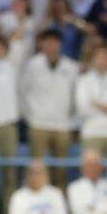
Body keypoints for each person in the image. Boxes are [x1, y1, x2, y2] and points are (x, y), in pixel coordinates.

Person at [20, 28, 78, 188]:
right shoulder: (32, 65)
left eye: (55, 41)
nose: (51, 45)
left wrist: (71, 120)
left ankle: (58, 206)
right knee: (37, 169)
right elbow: (22, 93)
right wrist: (30, 117)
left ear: (60, 44)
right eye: (47, 41)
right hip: (38, 124)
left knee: (61, 171)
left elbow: (75, 96)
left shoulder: (71, 67)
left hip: (62, 125)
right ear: (41, 44)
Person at [0, 27, 31, 214]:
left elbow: (19, 40)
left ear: (5, 48)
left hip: (8, 126)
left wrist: (20, 18)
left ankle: (9, 212)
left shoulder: (11, 66)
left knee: (10, 172)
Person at [75, 42, 107, 161]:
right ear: (93, 59)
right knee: (90, 174)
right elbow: (82, 109)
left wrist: (96, 103)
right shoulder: (83, 81)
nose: (102, 60)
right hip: (91, 133)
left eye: (105, 57)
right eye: (98, 57)